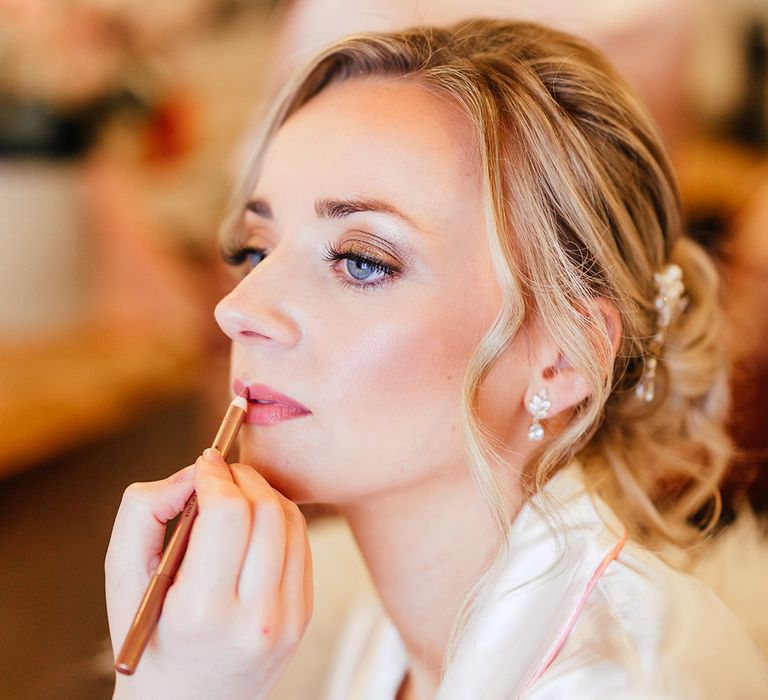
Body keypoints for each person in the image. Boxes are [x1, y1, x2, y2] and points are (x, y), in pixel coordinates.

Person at [105, 19, 768, 699]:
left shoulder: (624, 681)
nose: (239, 308)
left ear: (564, 355)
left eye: (361, 261)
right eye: (255, 250)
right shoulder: (388, 628)